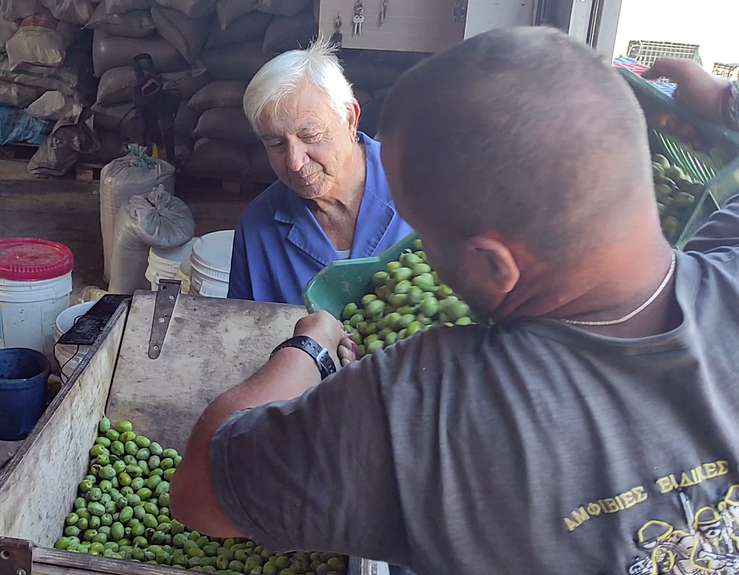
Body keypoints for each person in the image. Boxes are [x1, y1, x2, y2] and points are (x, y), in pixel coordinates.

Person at [171, 27, 739, 574]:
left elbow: (198, 489)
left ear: (493, 266)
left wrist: (311, 349)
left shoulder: (422, 408)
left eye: (424, 234)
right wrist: (725, 106)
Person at [227, 42, 413, 305]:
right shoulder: (258, 229)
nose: (295, 162)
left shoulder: (421, 182)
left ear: (350, 118)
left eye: (310, 135)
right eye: (277, 144)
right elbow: (243, 327)